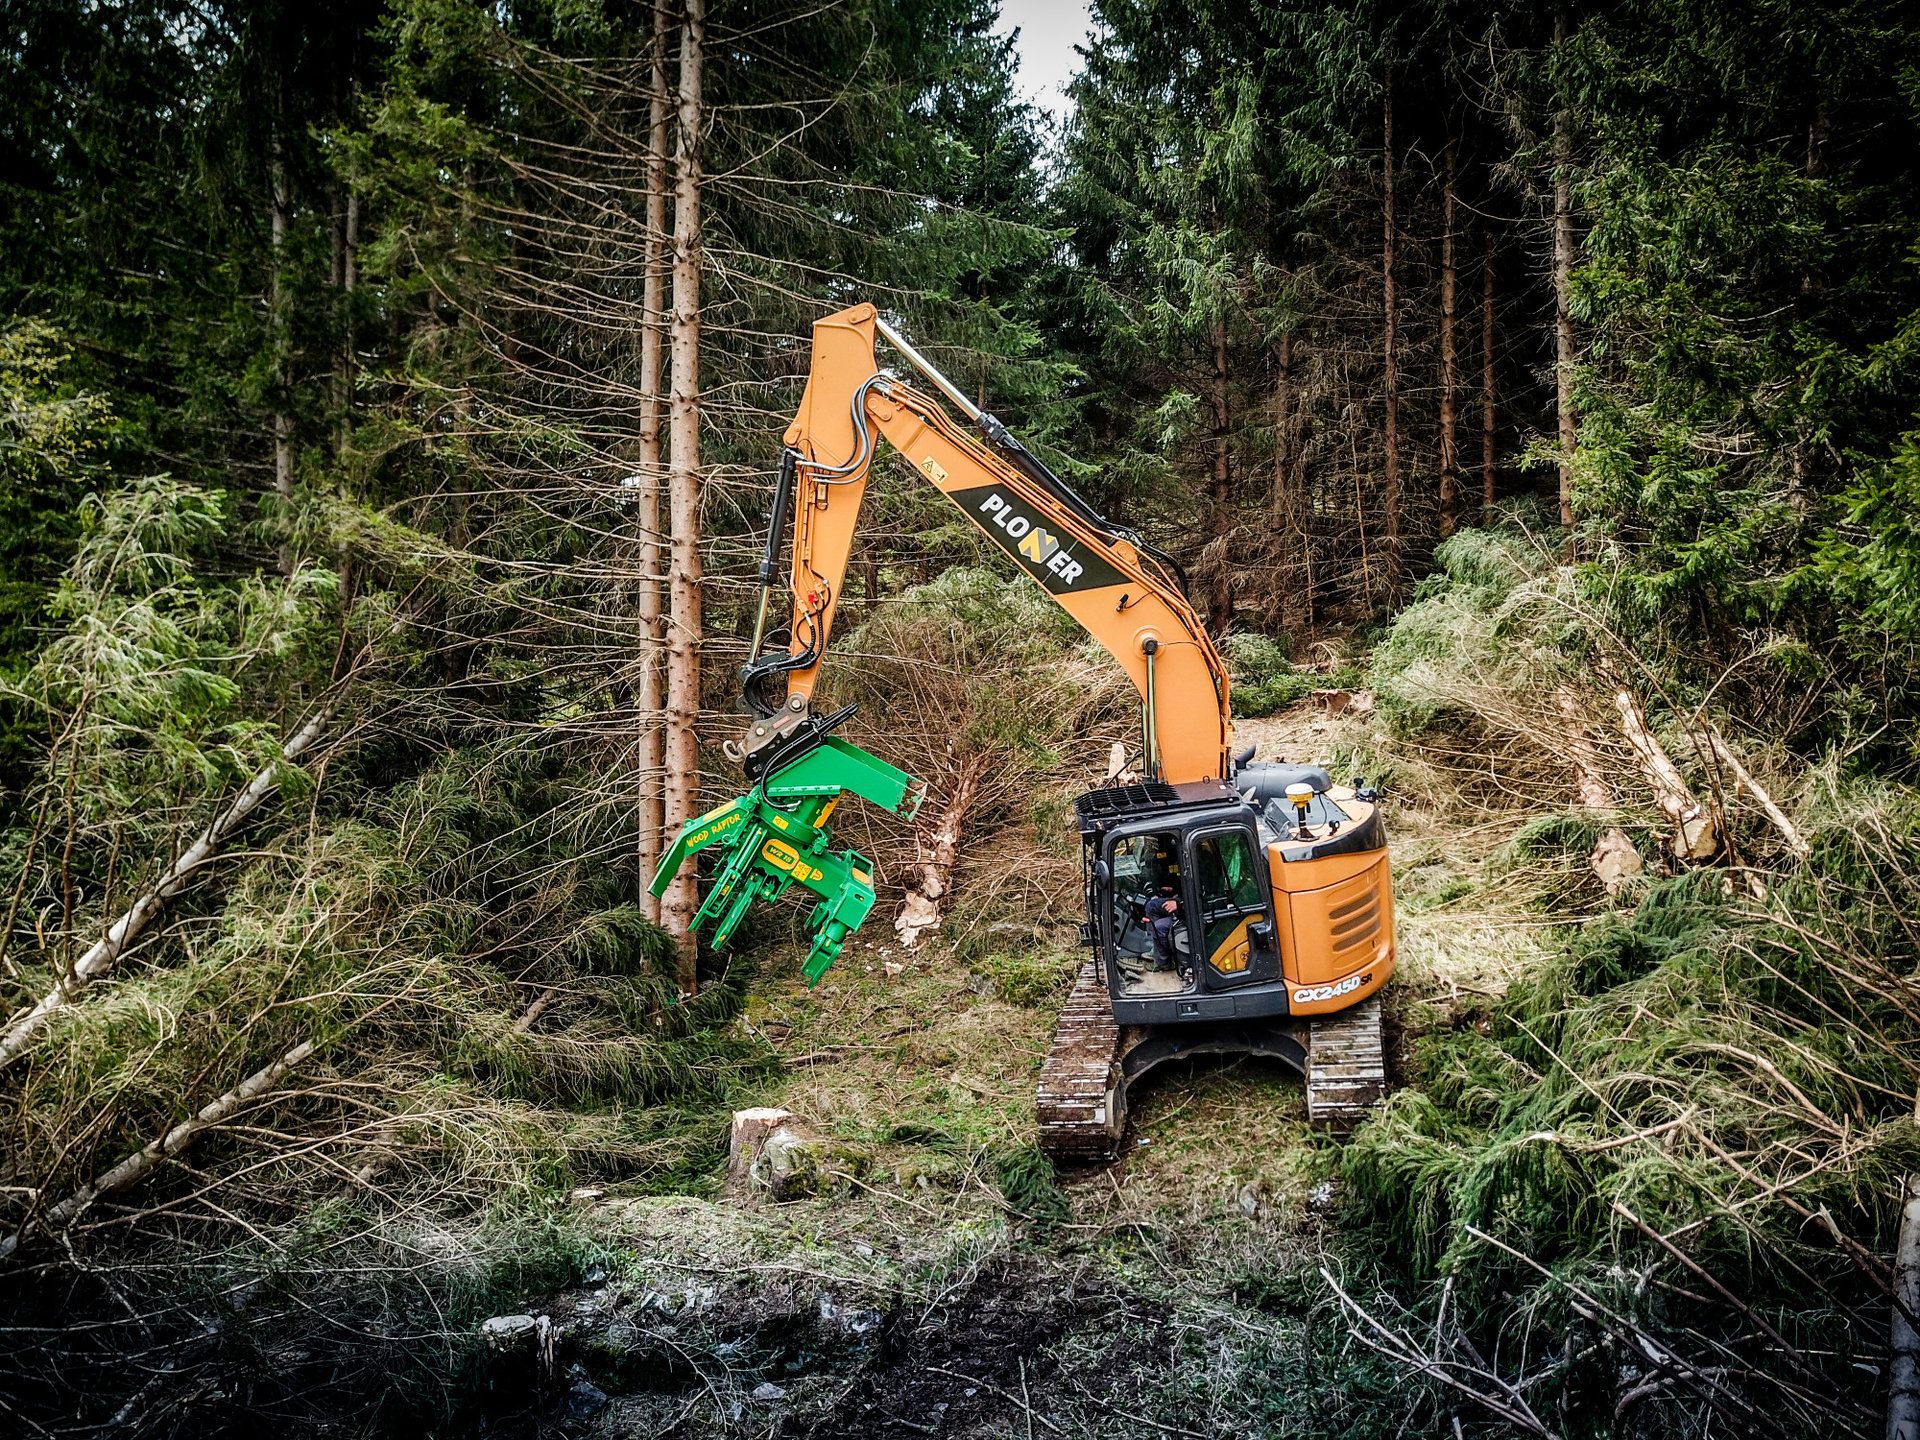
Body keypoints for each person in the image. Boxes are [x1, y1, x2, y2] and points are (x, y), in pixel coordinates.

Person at [1147, 882, 1181, 969]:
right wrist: (1174, 889)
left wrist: (1179, 904)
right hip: (1182, 899)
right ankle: (1157, 949)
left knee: (1159, 927)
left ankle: (1165, 963)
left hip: (1188, 910)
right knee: (1151, 906)